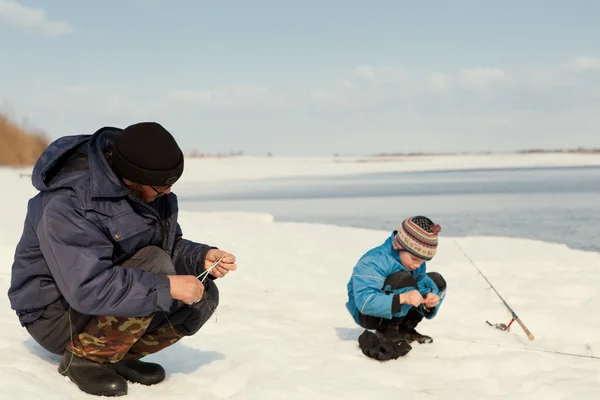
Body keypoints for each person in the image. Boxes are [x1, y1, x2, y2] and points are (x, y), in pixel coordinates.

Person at [7, 122, 237, 397]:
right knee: (158, 267)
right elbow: (87, 286)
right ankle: (85, 357)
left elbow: (167, 244)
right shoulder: (69, 203)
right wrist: (167, 287)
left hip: (95, 299)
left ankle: (116, 353)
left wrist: (201, 258)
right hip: (54, 315)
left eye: (171, 185)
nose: (168, 191)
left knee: (203, 298)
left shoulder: (149, 190)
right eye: (162, 187)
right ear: (131, 178)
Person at [345, 216, 447, 361]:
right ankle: (387, 331)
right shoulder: (374, 261)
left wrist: (429, 297)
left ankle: (405, 328)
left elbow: (420, 281)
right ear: (400, 246)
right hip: (367, 313)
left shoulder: (413, 262)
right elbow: (365, 301)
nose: (418, 264)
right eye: (415, 259)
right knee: (402, 279)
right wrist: (403, 298)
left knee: (435, 282)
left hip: (393, 298)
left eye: (423, 260)